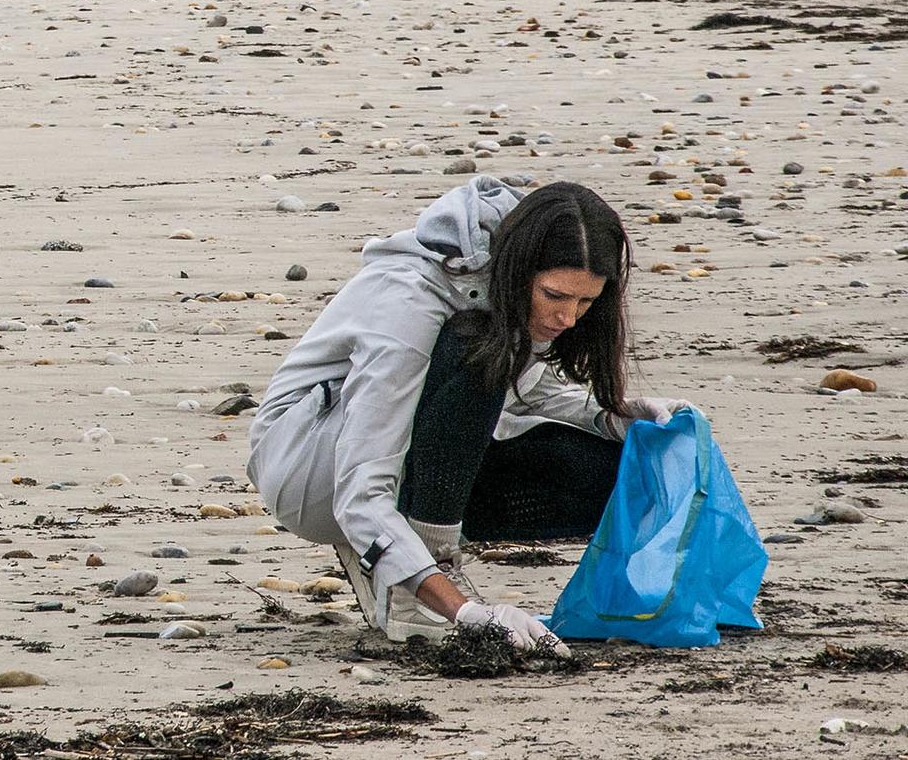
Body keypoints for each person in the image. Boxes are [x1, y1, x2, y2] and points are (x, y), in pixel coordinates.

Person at [247, 178, 691, 655]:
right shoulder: (408, 302)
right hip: (311, 471)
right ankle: (414, 584)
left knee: (610, 474)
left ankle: (398, 557)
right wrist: (463, 610)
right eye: (556, 296)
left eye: (585, 302)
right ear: (519, 268)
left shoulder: (505, 282)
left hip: (398, 453)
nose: (568, 319)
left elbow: (527, 387)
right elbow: (362, 487)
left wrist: (616, 416)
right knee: (475, 350)